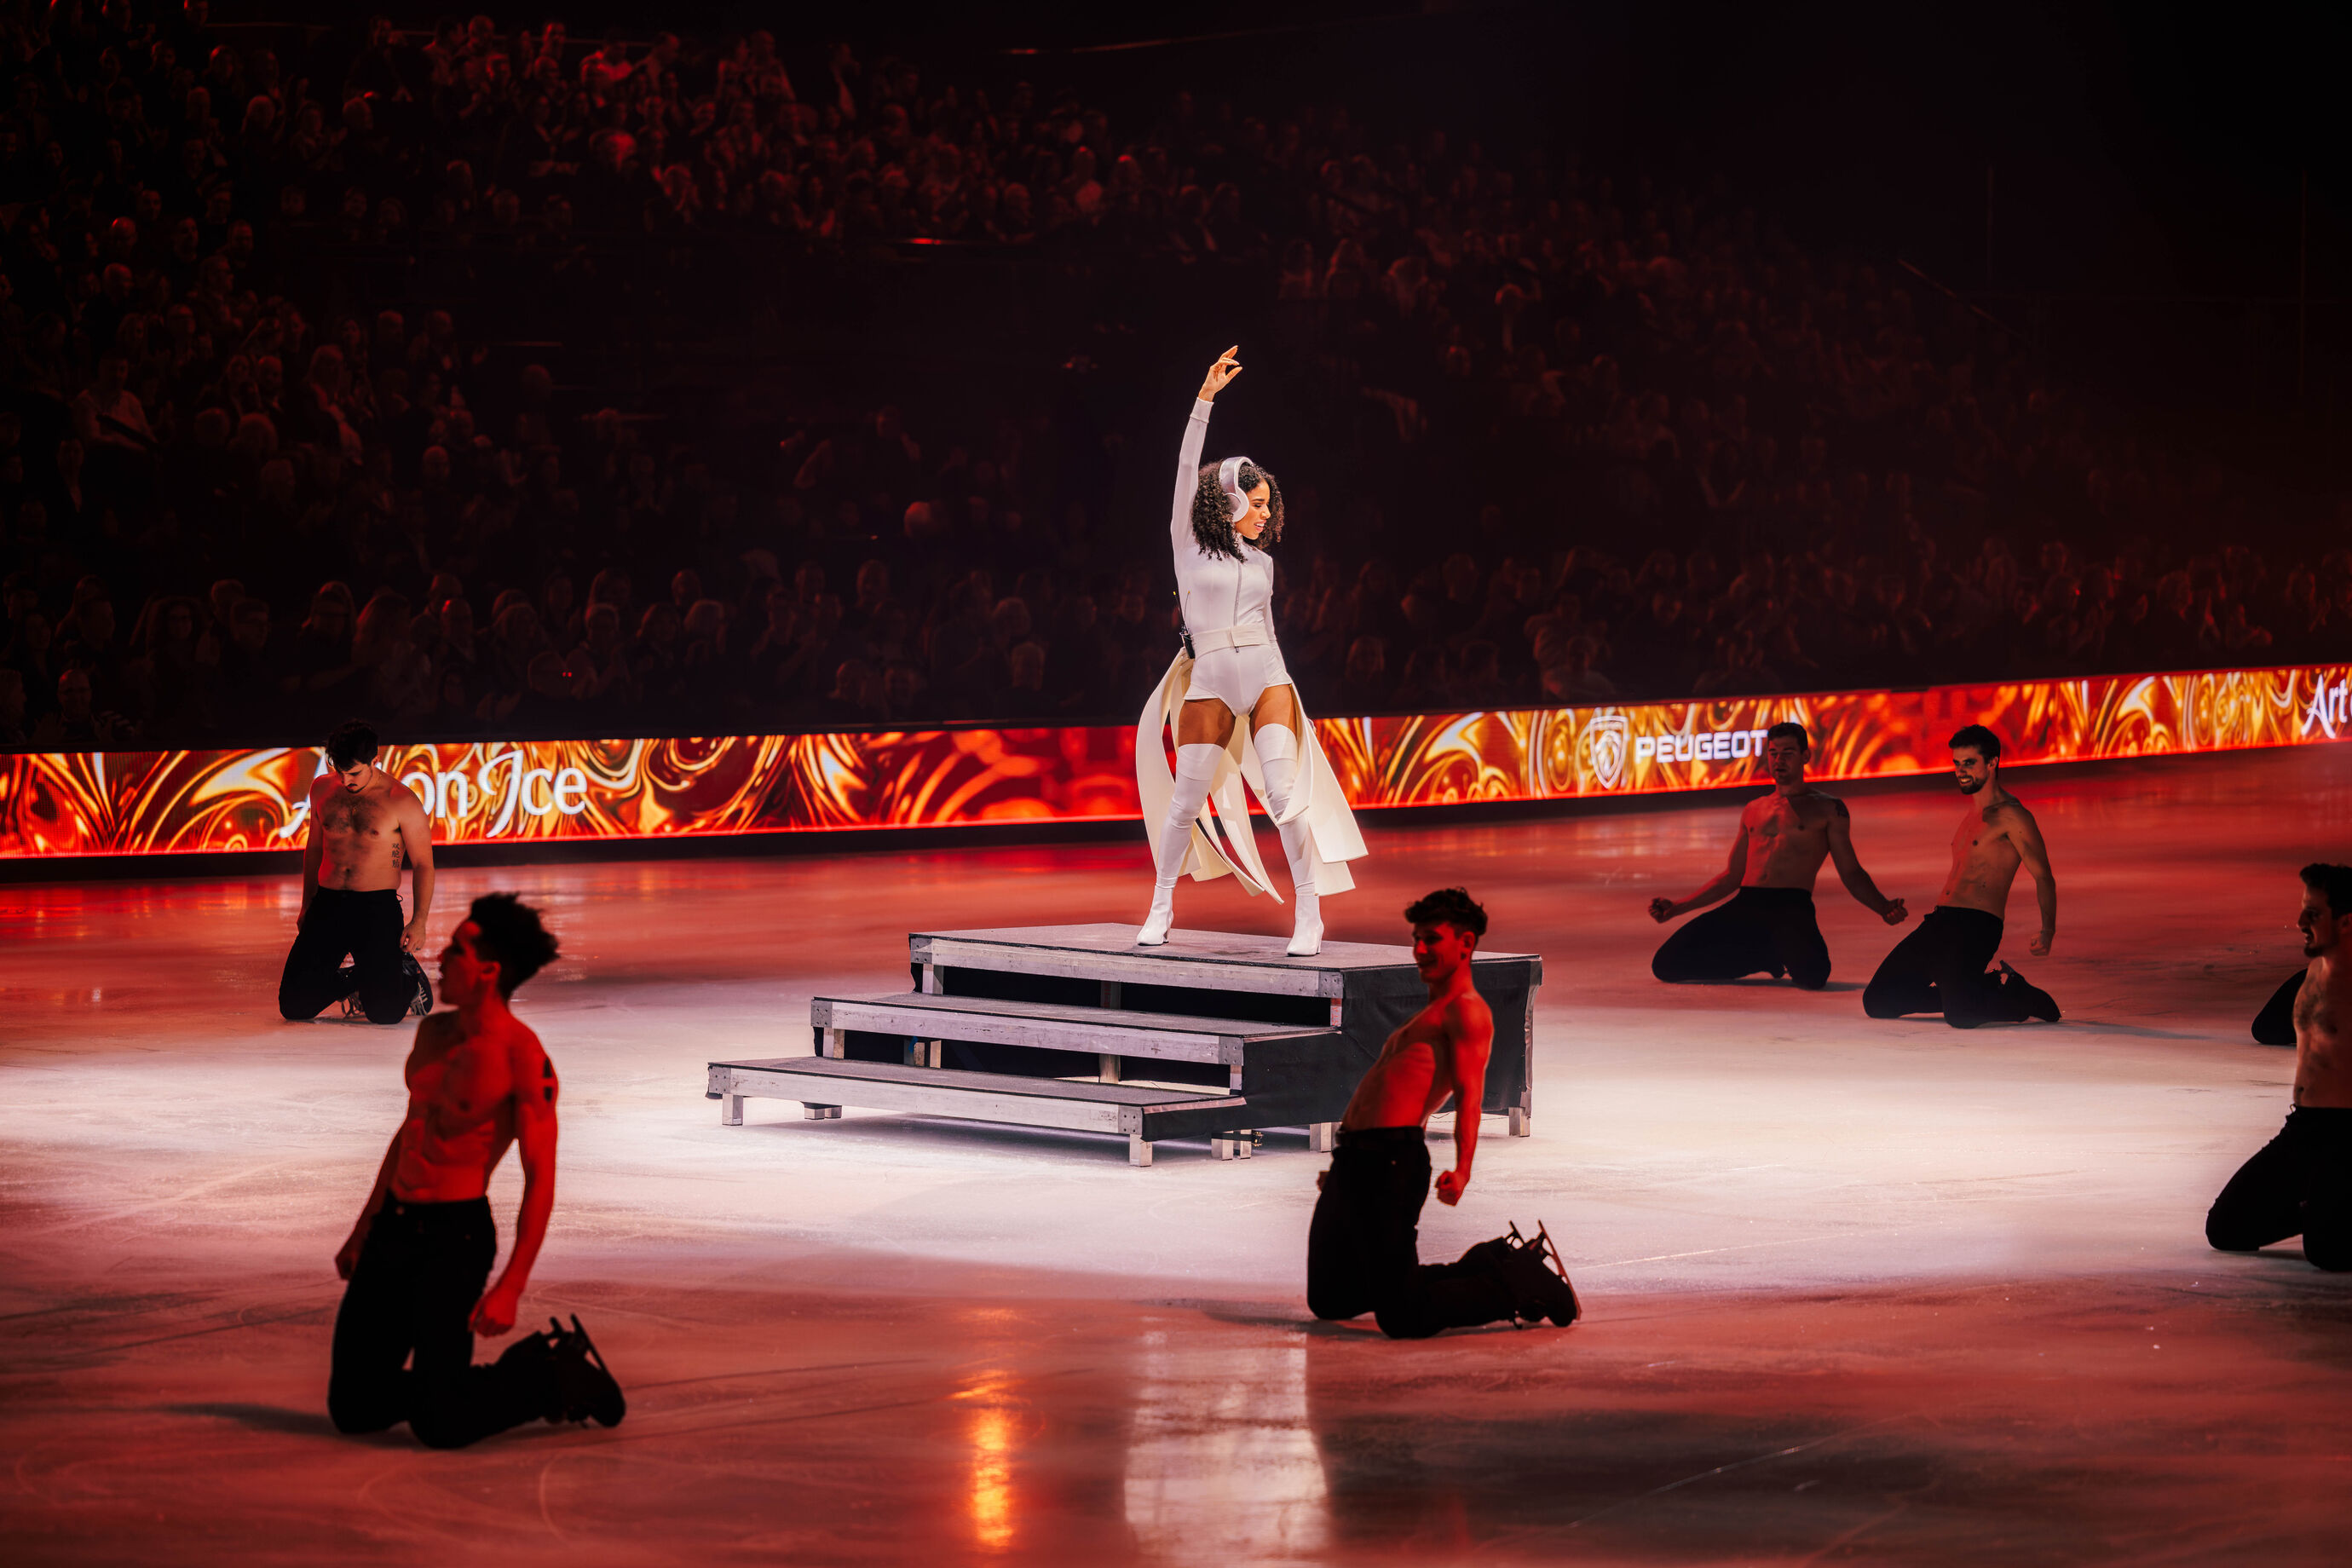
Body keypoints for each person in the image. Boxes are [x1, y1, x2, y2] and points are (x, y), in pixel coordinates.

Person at [329, 893, 625, 1444]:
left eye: (456, 949)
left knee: (441, 1425)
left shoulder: (522, 1057)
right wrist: (364, 1224)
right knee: (354, 1406)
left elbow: (541, 1179)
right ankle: (451, 1390)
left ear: (488, 970)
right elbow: (409, 1133)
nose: (440, 958)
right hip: (394, 1227)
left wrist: (512, 1283)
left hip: (453, 1240)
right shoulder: (433, 1035)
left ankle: (549, 1376)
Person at [1135, 345, 1366, 955]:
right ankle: (1160, 907)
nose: (1265, 515)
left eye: (1268, 506)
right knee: (1185, 804)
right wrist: (1203, 400)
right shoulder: (1187, 544)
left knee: (1287, 801)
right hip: (1210, 679)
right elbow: (1187, 469)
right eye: (1256, 504)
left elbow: (1270, 630)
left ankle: (1309, 916)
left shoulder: (1263, 563)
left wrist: (1285, 688)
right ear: (1230, 502)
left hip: (1266, 677)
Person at [1306, 888, 1581, 1338]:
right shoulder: (1434, 1013)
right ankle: (1488, 1265)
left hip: (1391, 1162)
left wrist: (1464, 1170)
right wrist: (1347, 1164)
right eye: (1416, 938)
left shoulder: (1467, 1013)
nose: (1419, 950)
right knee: (1330, 1298)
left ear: (1466, 944)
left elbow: (1470, 1097)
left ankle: (1516, 1280)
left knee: (1404, 1318)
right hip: (1357, 1160)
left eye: (1431, 939)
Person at [1648, 722, 1906, 989]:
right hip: (1748, 903)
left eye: (1788, 753)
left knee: (1813, 977)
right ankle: (1762, 957)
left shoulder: (1828, 809)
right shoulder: (1754, 809)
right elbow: (1731, 877)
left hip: (1790, 906)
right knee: (1666, 965)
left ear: (1805, 757)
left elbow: (1851, 872)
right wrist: (1677, 907)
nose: (1778, 760)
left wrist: (1883, 907)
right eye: (1773, 753)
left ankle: (1770, 953)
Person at [1862, 725, 2061, 1027]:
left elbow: (2043, 876)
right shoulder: (1971, 817)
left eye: (1969, 763)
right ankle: (1978, 989)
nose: (1960, 770)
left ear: (1992, 763)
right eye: (1956, 763)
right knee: (1878, 1000)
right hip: (1940, 923)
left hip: (1976, 928)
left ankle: (2018, 997)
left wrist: (2048, 930)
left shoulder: (2013, 815)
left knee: (1961, 1016)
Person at [2206, 865, 2352, 1271]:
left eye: (2314, 913)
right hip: (2304, 1131)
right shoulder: (2314, 968)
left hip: (2346, 1135)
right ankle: (2328, 1207)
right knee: (2226, 1230)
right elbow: (2266, 1027)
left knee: (2327, 1254)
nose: (2301, 922)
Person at [280, 718, 435, 1024]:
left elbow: (423, 864)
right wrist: (306, 903)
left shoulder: (401, 800)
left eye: (354, 772)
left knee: (387, 1013)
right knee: (294, 1005)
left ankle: (406, 974)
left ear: (374, 759)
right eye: (339, 770)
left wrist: (419, 922)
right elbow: (314, 849)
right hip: (328, 904)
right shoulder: (322, 789)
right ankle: (359, 977)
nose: (345, 779)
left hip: (376, 908)